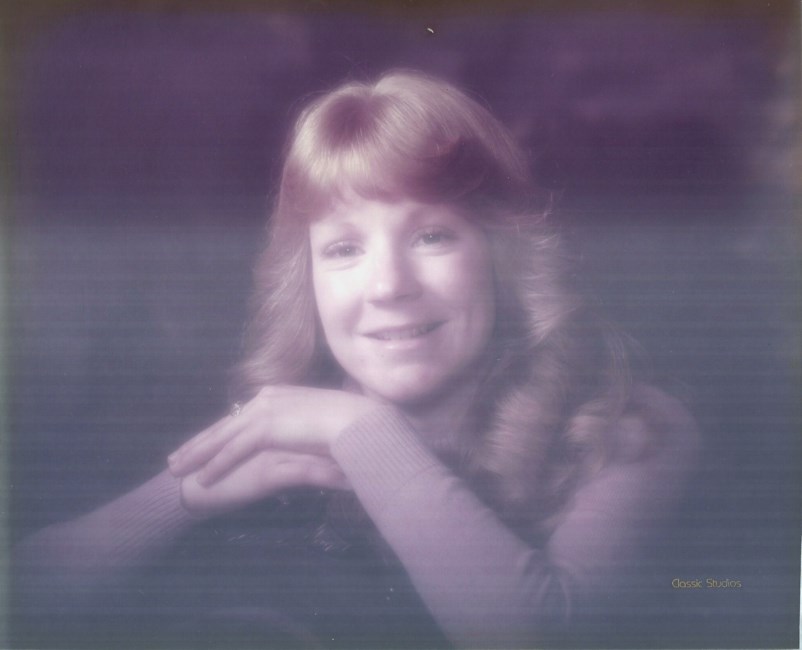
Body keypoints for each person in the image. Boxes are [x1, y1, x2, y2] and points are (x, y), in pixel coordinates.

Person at [13, 70, 698, 649]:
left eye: (432, 236)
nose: (388, 286)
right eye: (344, 249)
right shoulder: (282, 431)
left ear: (501, 254)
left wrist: (364, 431)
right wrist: (181, 498)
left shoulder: (630, 429)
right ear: (308, 280)